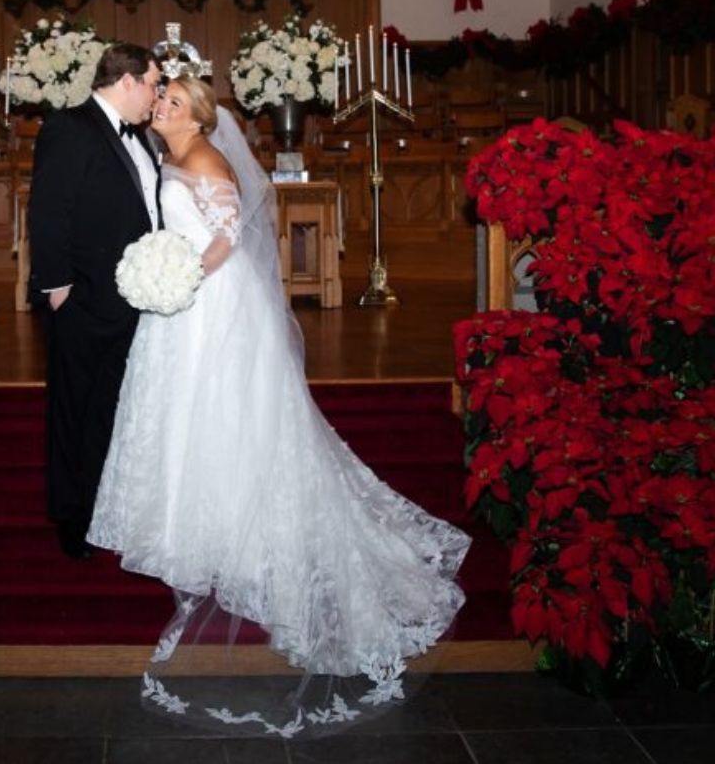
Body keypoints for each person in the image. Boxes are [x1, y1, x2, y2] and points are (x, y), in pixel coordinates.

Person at [89, 67, 471, 736]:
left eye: (173, 101)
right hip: (180, 305)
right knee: (183, 416)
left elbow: (229, 235)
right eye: (162, 97)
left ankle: (235, 527)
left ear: (199, 117)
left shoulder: (204, 156)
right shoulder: (165, 153)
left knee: (230, 416)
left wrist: (178, 275)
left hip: (212, 304)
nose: (162, 105)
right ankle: (186, 520)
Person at [28, 43, 163, 560]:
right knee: (73, 412)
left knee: (111, 413)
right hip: (83, 301)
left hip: (131, 302)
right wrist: (59, 290)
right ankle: (71, 517)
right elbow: (48, 210)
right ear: (126, 80)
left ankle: (107, 509)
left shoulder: (142, 138)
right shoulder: (69, 127)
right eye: (152, 83)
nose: (156, 95)